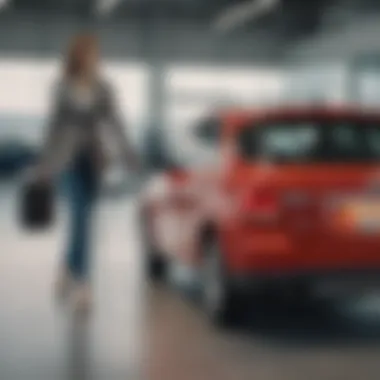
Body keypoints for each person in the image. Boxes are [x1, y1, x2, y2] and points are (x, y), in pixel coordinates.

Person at [33, 33, 139, 312]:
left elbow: (116, 124)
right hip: (67, 160)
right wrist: (43, 165)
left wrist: (128, 154)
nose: (95, 58)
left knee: (84, 220)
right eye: (90, 53)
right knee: (81, 219)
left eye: (97, 53)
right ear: (78, 57)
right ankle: (84, 285)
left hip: (93, 160)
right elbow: (53, 127)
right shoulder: (61, 87)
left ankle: (67, 267)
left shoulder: (104, 88)